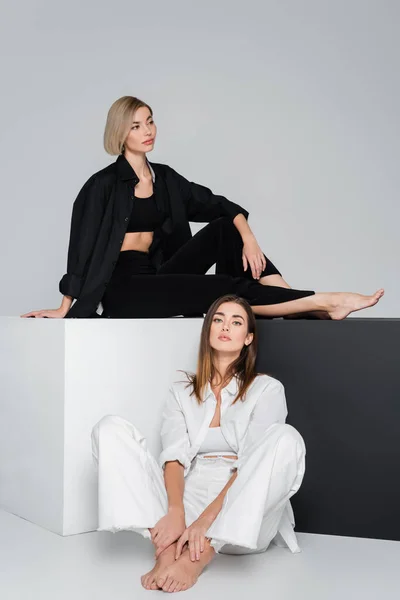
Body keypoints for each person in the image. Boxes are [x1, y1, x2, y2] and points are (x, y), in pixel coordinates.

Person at [21, 96, 384, 320]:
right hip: (124, 290)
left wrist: (249, 237)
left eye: (150, 120)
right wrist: (64, 306)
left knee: (227, 228)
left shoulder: (165, 179)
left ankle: (297, 302)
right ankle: (321, 302)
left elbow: (221, 206)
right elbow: (80, 250)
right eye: (136, 125)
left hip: (158, 273)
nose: (147, 130)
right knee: (222, 288)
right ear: (121, 134)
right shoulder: (100, 186)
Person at [91, 294, 307, 593]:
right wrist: (177, 513)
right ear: (208, 330)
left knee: (285, 438)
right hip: (189, 498)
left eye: (236, 321)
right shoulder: (181, 391)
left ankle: (197, 557)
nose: (225, 326)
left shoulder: (266, 388)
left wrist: (205, 525)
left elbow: (256, 463)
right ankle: (167, 550)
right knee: (110, 428)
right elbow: (174, 457)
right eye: (218, 319)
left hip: (244, 513)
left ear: (248, 338)